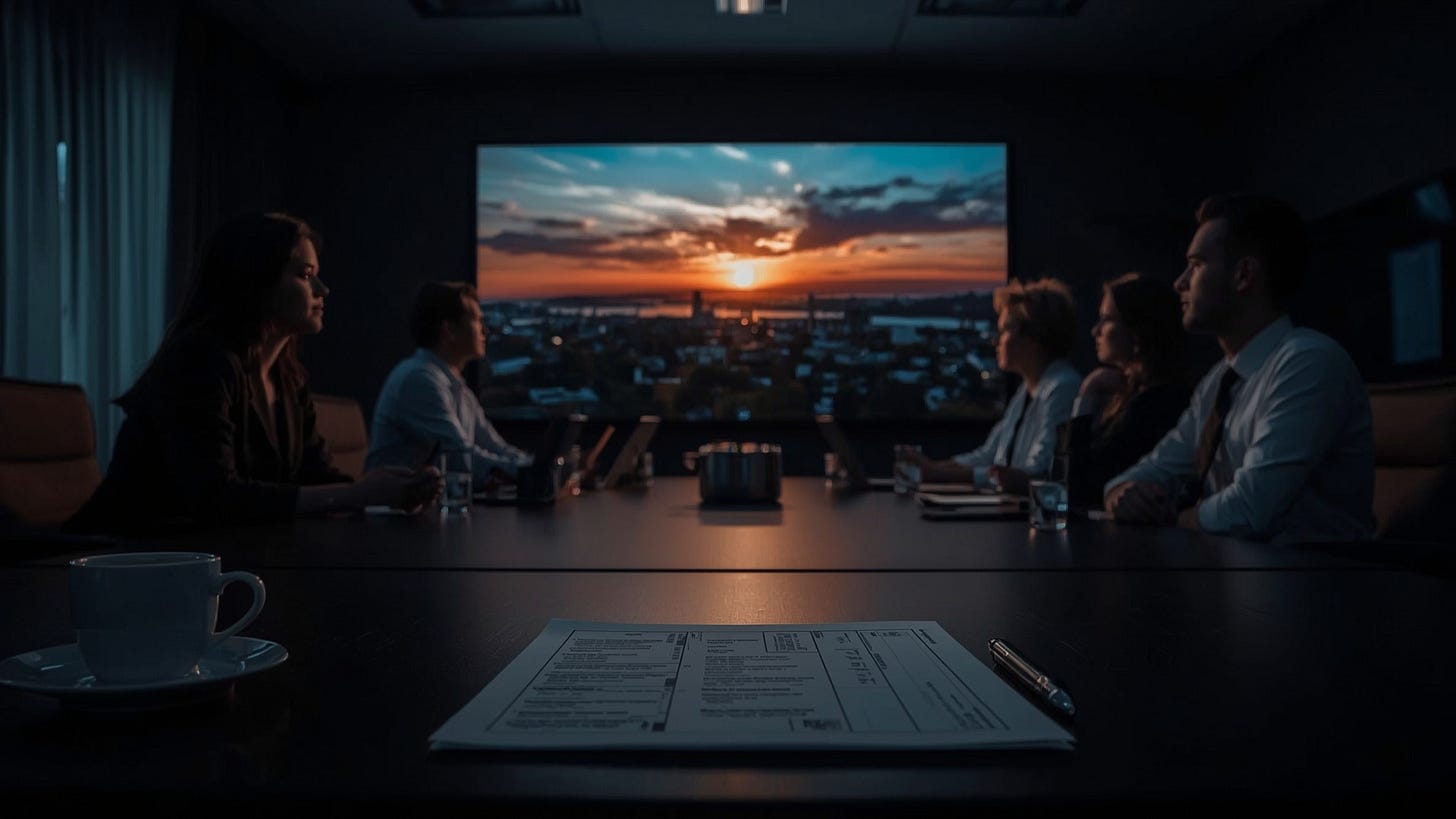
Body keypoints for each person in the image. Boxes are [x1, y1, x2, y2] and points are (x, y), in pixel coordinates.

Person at [69, 213, 440, 535]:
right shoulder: (198, 361)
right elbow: (213, 496)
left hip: (219, 559)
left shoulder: (288, 377)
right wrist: (359, 494)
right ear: (255, 281)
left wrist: (388, 489)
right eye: (304, 275)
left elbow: (316, 478)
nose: (322, 290)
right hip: (124, 561)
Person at [1104, 194, 1375, 543]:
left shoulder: (1307, 363)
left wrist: (1170, 515)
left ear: (1243, 274)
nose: (1180, 282)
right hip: (1240, 577)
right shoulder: (1219, 380)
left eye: (1196, 264)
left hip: (1316, 583)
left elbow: (1250, 513)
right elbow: (1149, 470)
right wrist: (1121, 493)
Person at [906, 278, 1081, 495]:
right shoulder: (1027, 390)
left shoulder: (1062, 387)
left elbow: (1037, 472)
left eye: (1005, 330)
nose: (995, 341)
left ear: (1034, 337)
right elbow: (989, 456)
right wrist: (933, 467)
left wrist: (936, 473)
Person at [366, 281, 533, 486]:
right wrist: (531, 472)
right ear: (449, 330)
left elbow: (495, 446)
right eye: (477, 321)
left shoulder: (455, 387)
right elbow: (461, 459)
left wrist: (536, 468)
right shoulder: (419, 379)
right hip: (391, 513)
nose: (485, 331)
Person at [1062, 273, 1190, 509]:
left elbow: (1073, 486)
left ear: (1137, 330)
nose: (1095, 330)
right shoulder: (1126, 396)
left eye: (1107, 319)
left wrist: (1085, 396)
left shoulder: (1156, 405)